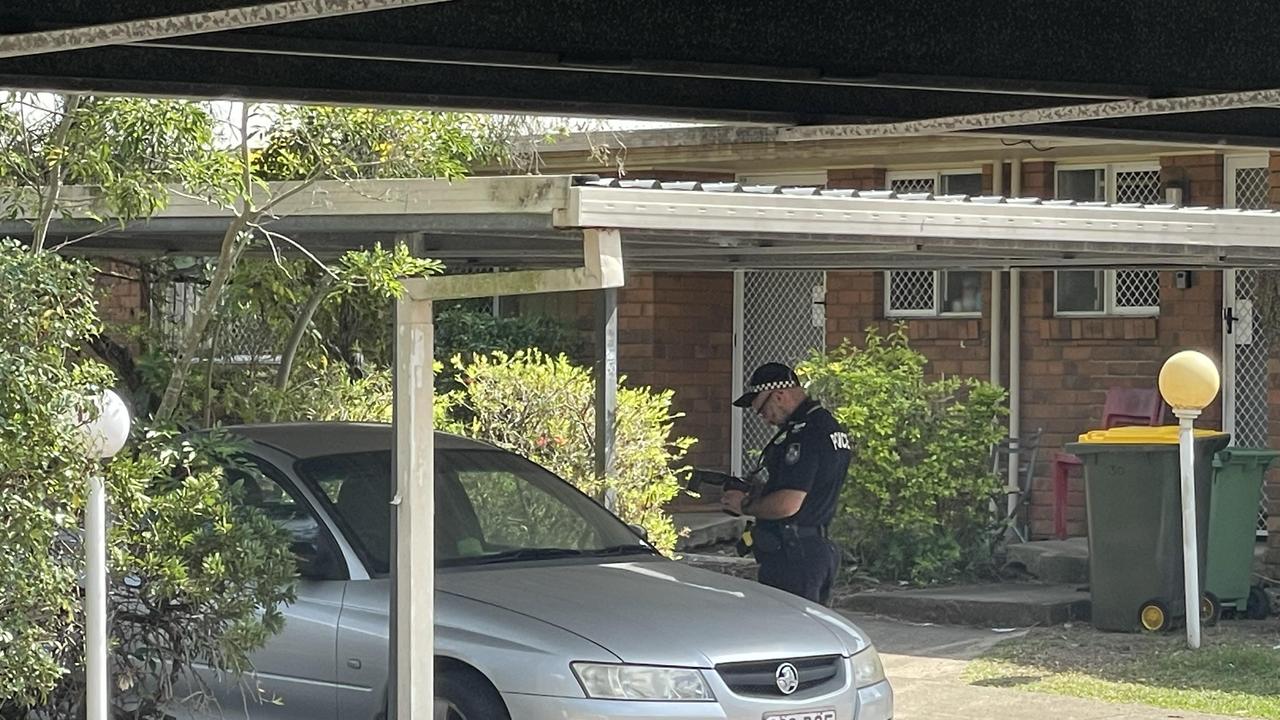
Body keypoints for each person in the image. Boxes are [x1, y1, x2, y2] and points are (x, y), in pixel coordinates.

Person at [721, 362, 850, 605]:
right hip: (813, 548)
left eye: (763, 410)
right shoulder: (826, 426)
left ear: (779, 395)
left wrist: (744, 505)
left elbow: (788, 503)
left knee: (791, 635)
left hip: (794, 556)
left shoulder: (805, 435)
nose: (765, 419)